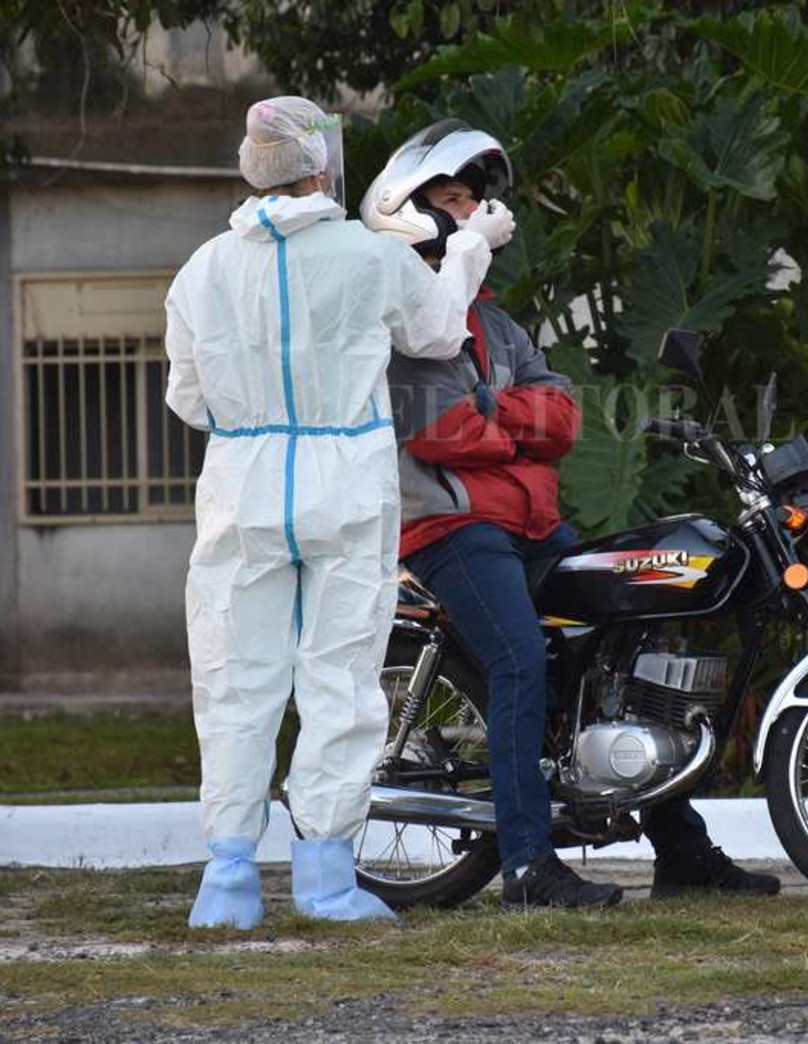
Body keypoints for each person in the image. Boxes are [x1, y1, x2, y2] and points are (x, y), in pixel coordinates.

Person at [361, 120, 781, 909]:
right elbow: (439, 431)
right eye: (451, 200)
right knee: (520, 659)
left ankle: (681, 855)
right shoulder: (406, 323)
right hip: (452, 531)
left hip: (526, 525)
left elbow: (563, 415)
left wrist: (499, 412)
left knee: (615, 647)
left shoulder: (495, 322)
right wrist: (508, 416)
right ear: (412, 212)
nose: (470, 214)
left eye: (473, 200)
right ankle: (525, 866)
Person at [164, 98, 516, 929]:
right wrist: (466, 247)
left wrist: (255, 424)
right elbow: (434, 334)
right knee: (340, 677)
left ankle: (228, 881)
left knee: (233, 680)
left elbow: (187, 399)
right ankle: (325, 877)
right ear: (323, 168)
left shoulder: (202, 269)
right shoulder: (366, 256)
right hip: (346, 478)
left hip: (242, 482)